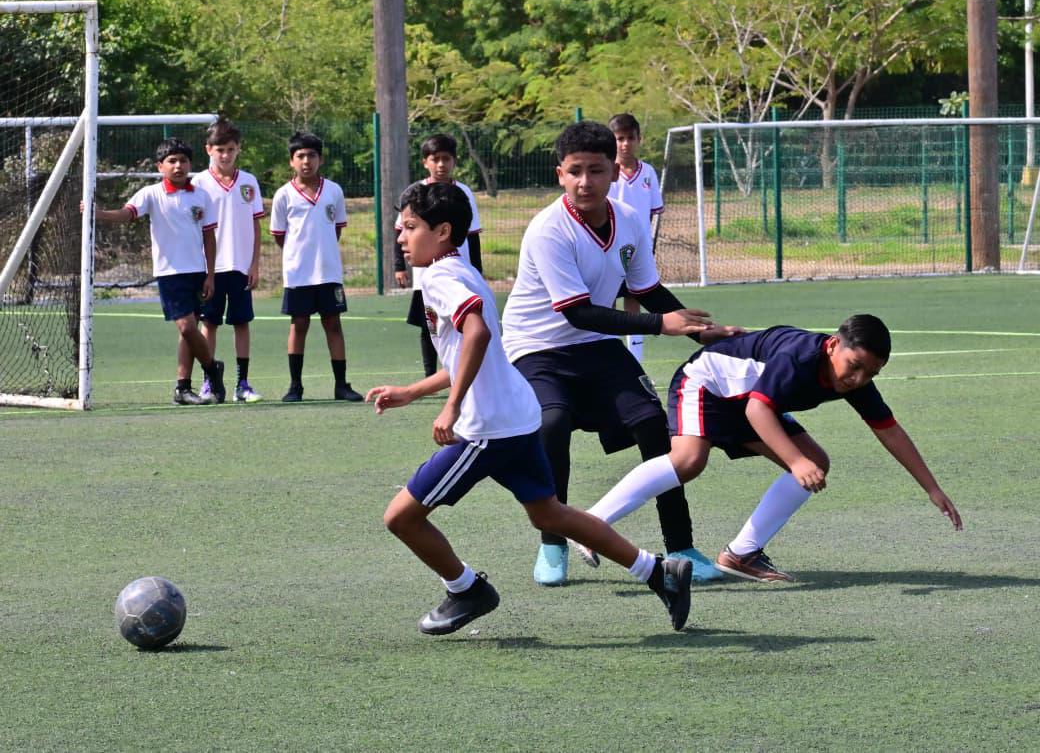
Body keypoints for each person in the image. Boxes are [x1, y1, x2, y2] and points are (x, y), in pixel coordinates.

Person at [366, 181, 693, 636]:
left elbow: (477, 335)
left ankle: (465, 589)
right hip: (519, 416)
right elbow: (476, 351)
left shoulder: (439, 277)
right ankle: (659, 573)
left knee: (400, 517)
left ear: (442, 231)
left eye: (410, 227)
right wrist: (414, 391)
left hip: (487, 429)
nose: (401, 238)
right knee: (549, 514)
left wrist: (452, 407)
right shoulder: (463, 269)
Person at [500, 121, 742, 587]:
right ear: (560, 175)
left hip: (595, 346)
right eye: (574, 171)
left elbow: (647, 288)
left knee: (655, 424)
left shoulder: (629, 218)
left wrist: (704, 332)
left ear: (615, 171)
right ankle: (553, 540)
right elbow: (578, 313)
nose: (585, 181)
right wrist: (661, 325)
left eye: (596, 170)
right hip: (536, 347)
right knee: (552, 423)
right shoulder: (548, 230)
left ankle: (681, 545)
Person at [573, 315, 964, 582]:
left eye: (871, 373)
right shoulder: (800, 356)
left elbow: (889, 430)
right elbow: (759, 408)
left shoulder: (856, 382)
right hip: (707, 383)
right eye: (855, 364)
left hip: (748, 402)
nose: (858, 378)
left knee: (817, 464)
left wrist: (931, 487)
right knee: (689, 460)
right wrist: (794, 462)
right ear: (833, 346)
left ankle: (741, 554)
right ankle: (590, 525)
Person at [91, 137, 226, 406]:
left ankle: (183, 388)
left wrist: (210, 274)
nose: (178, 166)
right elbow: (127, 214)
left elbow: (209, 237)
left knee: (189, 330)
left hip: (197, 273)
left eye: (183, 161)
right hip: (169, 273)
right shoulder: (150, 193)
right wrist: (100, 214)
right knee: (187, 328)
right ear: (160, 166)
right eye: (172, 161)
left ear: (190, 164)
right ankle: (212, 368)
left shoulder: (201, 195)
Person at [270, 131, 363, 403]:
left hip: (329, 272)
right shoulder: (283, 195)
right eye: (300, 156)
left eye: (311, 155)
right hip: (298, 273)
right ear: (291, 161)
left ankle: (341, 385)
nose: (306, 161)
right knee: (298, 324)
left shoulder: (333, 191)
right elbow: (279, 235)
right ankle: (295, 386)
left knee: (333, 324)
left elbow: (336, 230)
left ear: (320, 159)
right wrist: (299, 255)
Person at [393, 133, 483, 377]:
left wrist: (478, 271)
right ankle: (430, 374)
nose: (441, 164)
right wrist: (399, 266)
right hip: (426, 274)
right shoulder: (415, 194)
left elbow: (473, 236)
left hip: (458, 269)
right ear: (425, 162)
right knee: (429, 325)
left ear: (454, 161)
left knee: (460, 323)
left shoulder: (463, 193)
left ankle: (460, 372)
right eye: (435, 159)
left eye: (446, 159)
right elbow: (399, 232)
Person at [194, 119, 265, 403]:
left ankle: (242, 384)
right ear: (208, 149)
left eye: (231, 149)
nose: (225, 154)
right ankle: (208, 382)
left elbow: (257, 224)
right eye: (220, 149)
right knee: (208, 323)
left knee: (241, 323)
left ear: (239, 150)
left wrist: (255, 263)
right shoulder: (197, 183)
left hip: (240, 266)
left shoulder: (248, 182)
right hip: (209, 269)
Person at [607, 113, 664, 364]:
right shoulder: (607, 172)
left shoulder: (648, 172)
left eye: (630, 138)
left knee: (634, 298)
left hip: (637, 250)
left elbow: (653, 213)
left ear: (639, 139)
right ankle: (607, 351)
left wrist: (645, 245)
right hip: (608, 248)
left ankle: (635, 358)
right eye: (620, 138)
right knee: (606, 299)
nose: (625, 144)